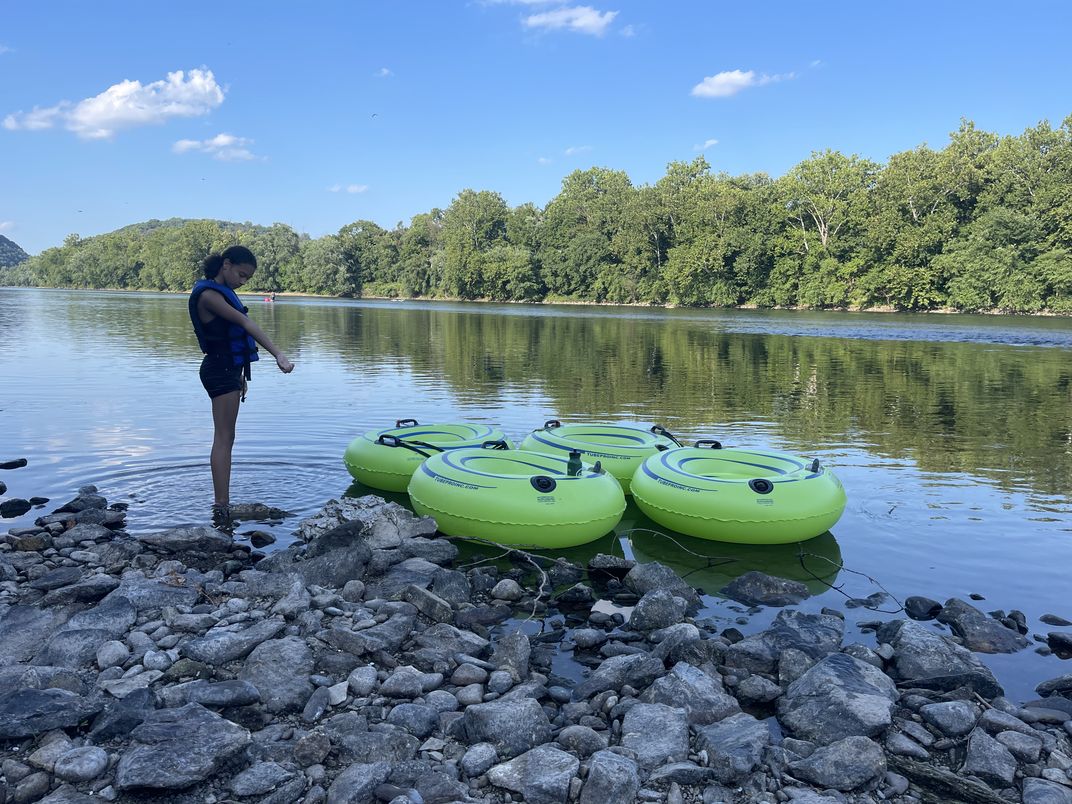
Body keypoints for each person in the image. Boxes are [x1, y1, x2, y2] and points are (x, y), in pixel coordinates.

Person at [189, 246, 294, 525]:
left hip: (228, 370)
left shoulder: (221, 291)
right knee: (224, 438)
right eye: (241, 274)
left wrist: (240, 377)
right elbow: (244, 322)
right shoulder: (210, 295)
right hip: (219, 369)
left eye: (247, 278)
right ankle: (221, 505)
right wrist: (278, 354)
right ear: (226, 264)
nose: (242, 282)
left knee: (227, 438)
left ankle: (222, 503)